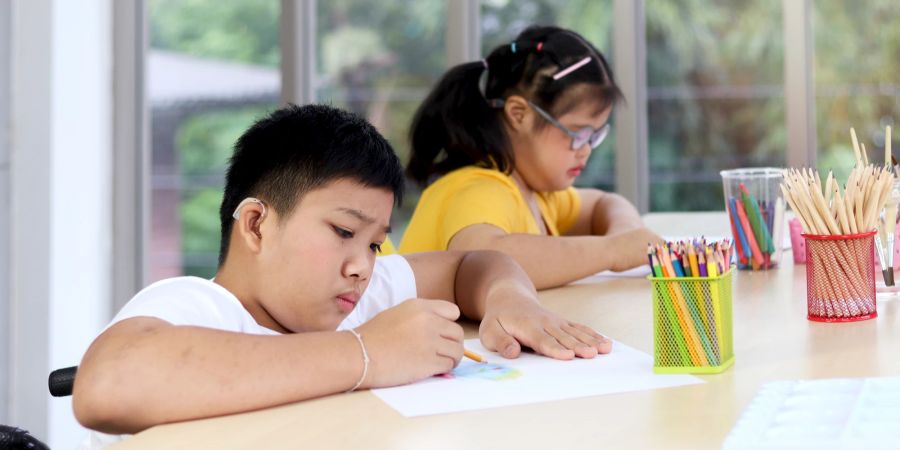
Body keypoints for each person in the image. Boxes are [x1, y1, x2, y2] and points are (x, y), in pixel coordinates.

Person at [72, 104, 611, 448]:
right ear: (257, 224)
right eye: (342, 231)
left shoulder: (356, 294)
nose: (363, 264)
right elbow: (106, 385)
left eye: (375, 243)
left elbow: (475, 264)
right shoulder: (197, 305)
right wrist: (368, 353)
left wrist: (510, 299)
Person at [399, 25, 664, 289]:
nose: (586, 149)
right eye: (577, 133)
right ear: (519, 114)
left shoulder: (536, 191)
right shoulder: (478, 189)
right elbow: (483, 260)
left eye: (595, 136)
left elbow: (603, 204)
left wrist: (627, 234)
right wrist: (612, 251)